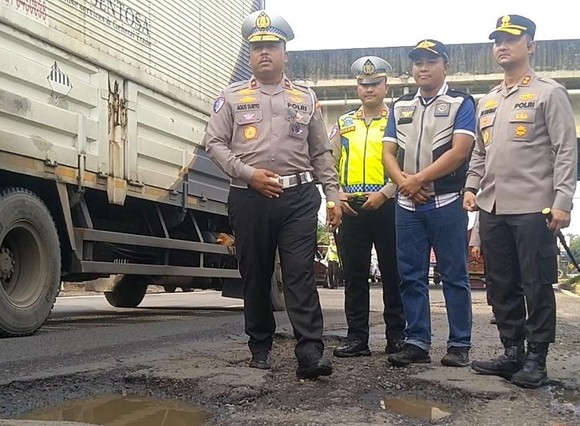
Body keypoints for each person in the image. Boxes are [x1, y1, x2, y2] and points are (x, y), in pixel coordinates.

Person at [204, 10, 342, 379]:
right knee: (256, 273)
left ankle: (310, 352)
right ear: (250, 55)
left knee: (298, 274)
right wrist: (249, 175)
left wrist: (333, 194)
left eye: (272, 46)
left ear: (286, 53)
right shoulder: (231, 97)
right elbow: (213, 143)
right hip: (248, 198)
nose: (264, 52)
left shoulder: (305, 98)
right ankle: (260, 347)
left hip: (297, 198)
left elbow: (320, 152)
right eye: (258, 47)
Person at [464, 15, 578, 389]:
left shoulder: (550, 93)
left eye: (512, 39)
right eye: (497, 39)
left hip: (533, 207)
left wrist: (563, 200)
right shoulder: (489, 100)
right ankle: (511, 351)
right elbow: (480, 154)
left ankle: (537, 359)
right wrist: (471, 187)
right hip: (493, 207)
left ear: (531, 46)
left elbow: (565, 151)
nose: (502, 45)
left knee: (536, 284)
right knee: (500, 284)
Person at [382, 39, 476, 368]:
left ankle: (459, 343)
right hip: (407, 205)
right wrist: (405, 183)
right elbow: (388, 154)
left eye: (431, 61)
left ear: (445, 66)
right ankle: (417, 341)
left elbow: (460, 151)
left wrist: (415, 180)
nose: (423, 67)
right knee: (410, 276)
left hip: (446, 202)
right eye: (418, 61)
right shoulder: (400, 105)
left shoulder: (460, 102)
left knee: (454, 275)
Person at [329, 56, 405, 358]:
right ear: (357, 86)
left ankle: (396, 337)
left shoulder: (398, 120)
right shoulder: (344, 123)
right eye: (363, 84)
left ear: (385, 85)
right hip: (352, 208)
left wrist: (386, 192)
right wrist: (335, 195)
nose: (369, 88)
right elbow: (328, 162)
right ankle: (357, 338)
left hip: (388, 205)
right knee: (355, 276)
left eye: (374, 83)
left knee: (392, 274)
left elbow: (406, 162)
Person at [469, 214, 496, 325]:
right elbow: (480, 219)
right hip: (491, 239)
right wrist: (476, 243)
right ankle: (497, 309)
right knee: (493, 278)